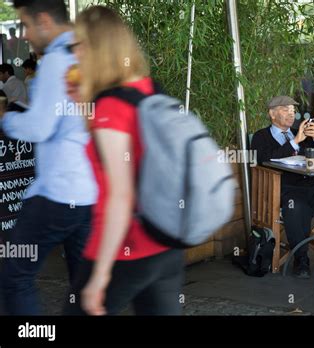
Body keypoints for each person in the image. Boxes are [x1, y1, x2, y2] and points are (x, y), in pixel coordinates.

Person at [63, 5, 184, 316]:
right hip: (166, 243)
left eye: (77, 45)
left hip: (123, 247)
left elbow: (120, 195)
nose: (74, 53)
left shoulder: (111, 106)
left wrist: (100, 274)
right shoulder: (148, 89)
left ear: (95, 47)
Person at [0, 0, 97, 315]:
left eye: (26, 25)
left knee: (14, 276)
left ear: (43, 20)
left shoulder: (56, 62)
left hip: (56, 192)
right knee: (84, 285)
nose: (25, 35)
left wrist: (5, 118)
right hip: (87, 192)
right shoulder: (88, 55)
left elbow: (40, 127)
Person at [250, 96, 314, 278]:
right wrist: (294, 141)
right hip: (286, 189)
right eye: (285, 110)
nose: (291, 114)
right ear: (272, 114)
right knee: (296, 207)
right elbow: (265, 161)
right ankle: (301, 260)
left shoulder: (302, 133)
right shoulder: (261, 137)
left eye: (293, 110)